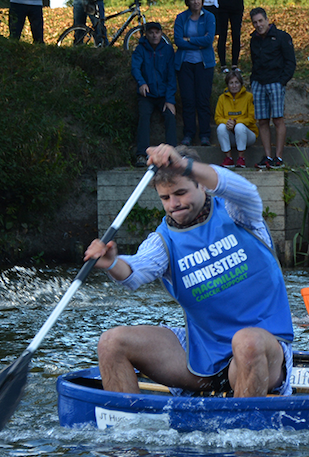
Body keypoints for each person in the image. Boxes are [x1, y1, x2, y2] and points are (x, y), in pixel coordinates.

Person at [82, 144, 294, 398]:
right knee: (111, 342)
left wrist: (185, 165)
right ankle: (127, 429)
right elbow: (135, 272)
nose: (173, 204)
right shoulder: (162, 242)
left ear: (201, 185)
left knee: (246, 341)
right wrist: (112, 263)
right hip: (202, 354)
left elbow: (245, 190)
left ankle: (239, 431)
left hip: (263, 351)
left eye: (181, 193)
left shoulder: (237, 213)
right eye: (165, 198)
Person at [249, 7, 296, 170]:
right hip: (258, 82)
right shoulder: (253, 39)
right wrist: (253, 80)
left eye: (261, 21)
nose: (258, 25)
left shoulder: (282, 37)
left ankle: (279, 157)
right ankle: (268, 156)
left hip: (276, 82)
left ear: (267, 20)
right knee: (262, 120)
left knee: (277, 119)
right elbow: (253, 61)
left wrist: (282, 81)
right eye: (255, 22)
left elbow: (291, 62)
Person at [131, 22, 178, 168]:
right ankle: (141, 154)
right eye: (151, 32)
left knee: (170, 116)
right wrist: (141, 83)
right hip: (147, 95)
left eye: (157, 32)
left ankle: (172, 154)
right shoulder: (140, 49)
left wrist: (170, 99)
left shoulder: (168, 50)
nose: (154, 35)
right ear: (146, 34)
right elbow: (135, 68)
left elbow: (171, 75)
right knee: (144, 116)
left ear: (161, 33)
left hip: (164, 94)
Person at [174, 0, 217, 147]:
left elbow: (209, 40)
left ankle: (205, 134)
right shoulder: (181, 18)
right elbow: (178, 41)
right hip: (185, 64)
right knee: (188, 100)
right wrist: (198, 43)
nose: (195, 1)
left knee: (203, 100)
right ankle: (189, 134)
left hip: (204, 65)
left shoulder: (209, 17)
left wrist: (189, 39)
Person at [215, 71, 258, 168]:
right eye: (231, 83)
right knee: (221, 127)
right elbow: (217, 118)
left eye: (237, 82)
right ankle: (228, 158)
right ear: (228, 85)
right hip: (231, 135)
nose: (234, 86)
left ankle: (241, 158)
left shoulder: (248, 97)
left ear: (241, 84)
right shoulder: (222, 98)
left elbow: (252, 119)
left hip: (248, 134)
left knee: (239, 127)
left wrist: (236, 123)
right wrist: (228, 123)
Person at [208, 0, 244, 73]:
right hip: (222, 7)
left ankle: (235, 64)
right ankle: (223, 65)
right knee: (222, 35)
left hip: (237, 7)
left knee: (236, 35)